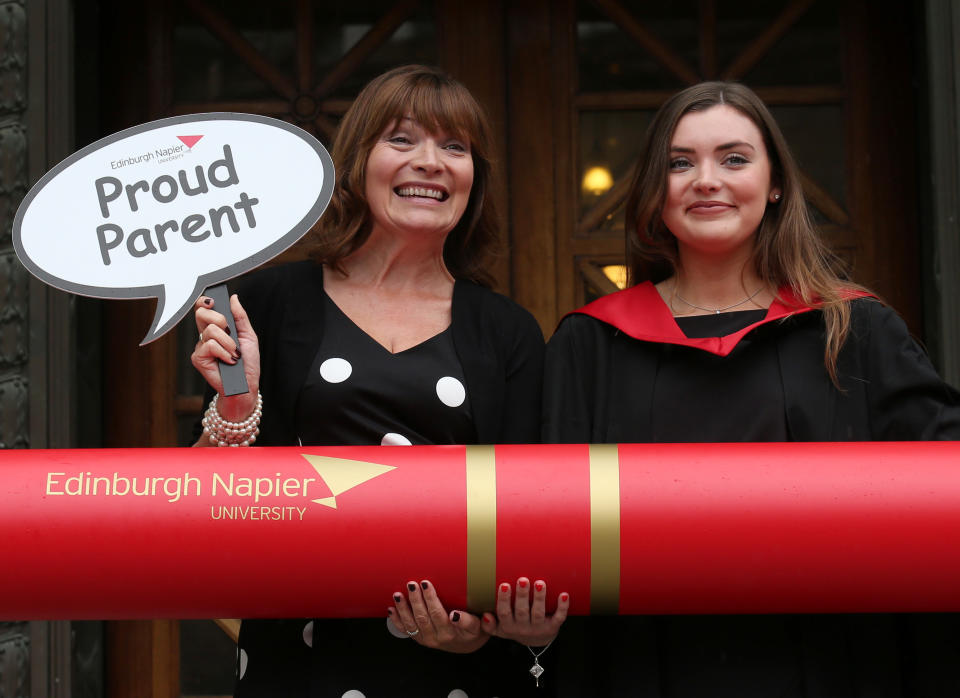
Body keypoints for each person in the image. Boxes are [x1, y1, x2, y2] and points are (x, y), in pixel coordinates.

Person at [543, 81, 960, 696]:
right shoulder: (592, 344)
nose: (705, 179)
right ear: (656, 190)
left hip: (833, 664)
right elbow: (550, 526)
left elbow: (941, 491)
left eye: (734, 159)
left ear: (776, 184)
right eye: (679, 163)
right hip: (646, 665)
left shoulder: (855, 330)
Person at [191, 65, 568, 698]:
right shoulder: (267, 304)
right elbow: (203, 506)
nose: (431, 162)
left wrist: (476, 630)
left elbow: (526, 520)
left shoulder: (507, 332)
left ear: (475, 178)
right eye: (402, 139)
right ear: (358, 159)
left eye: (455, 147)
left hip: (454, 671)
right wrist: (237, 404)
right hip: (300, 658)